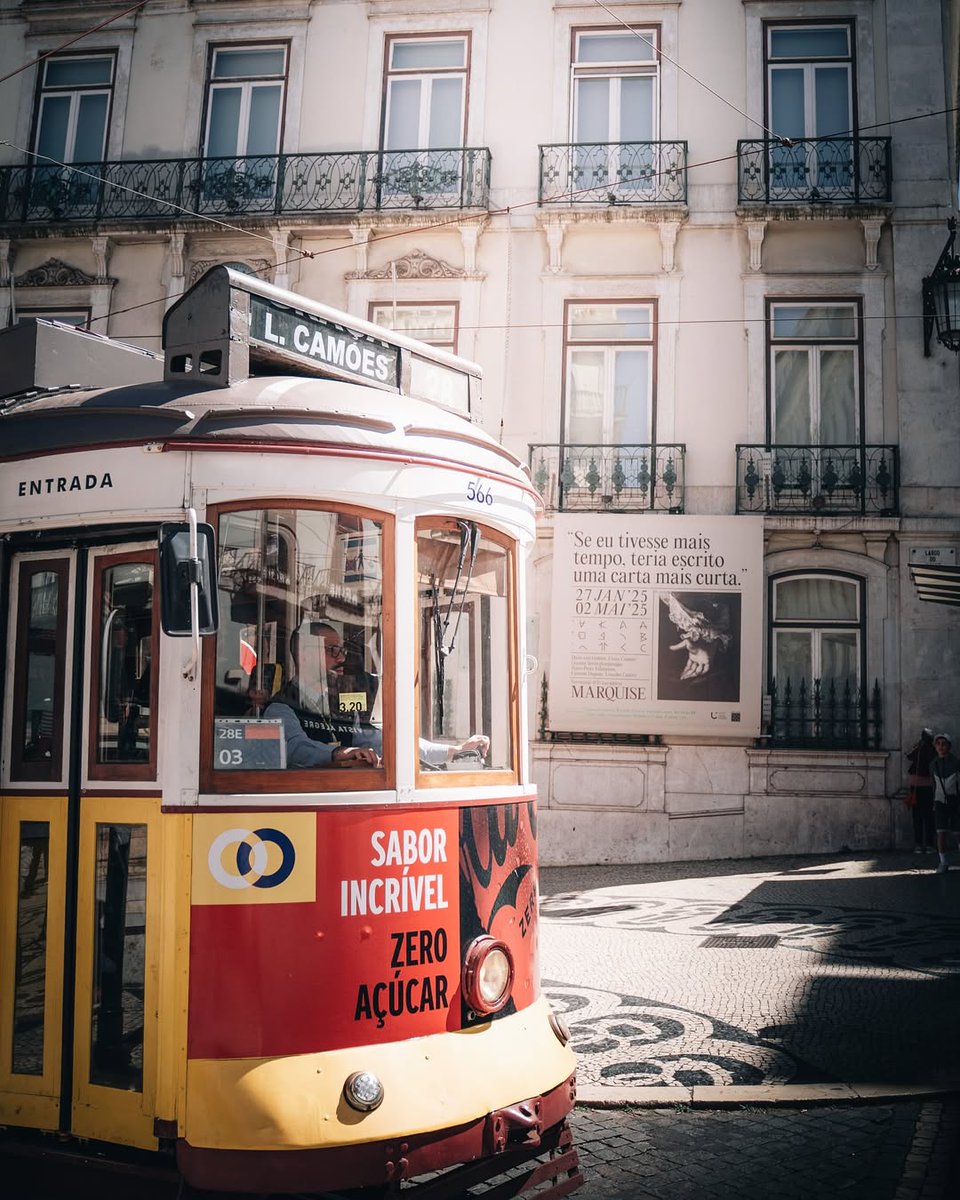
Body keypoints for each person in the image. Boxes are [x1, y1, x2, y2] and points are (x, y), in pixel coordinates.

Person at [265, 619, 489, 770]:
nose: (342, 658)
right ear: (304, 655)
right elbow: (296, 748)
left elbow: (381, 740)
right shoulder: (280, 707)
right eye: (333, 650)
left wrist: (454, 751)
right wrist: (341, 753)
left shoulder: (341, 703)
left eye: (342, 651)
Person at [929, 733, 960, 874]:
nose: (941, 747)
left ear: (949, 746)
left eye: (944, 744)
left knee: (958, 832)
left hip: (955, 800)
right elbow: (933, 784)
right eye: (938, 744)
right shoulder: (933, 764)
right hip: (939, 801)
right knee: (940, 832)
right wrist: (934, 802)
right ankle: (943, 862)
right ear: (935, 747)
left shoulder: (956, 763)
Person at [905, 727, 936, 853]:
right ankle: (928, 844)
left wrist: (917, 746)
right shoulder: (933, 750)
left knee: (918, 817)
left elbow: (908, 755)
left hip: (917, 786)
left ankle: (919, 844)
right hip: (927, 786)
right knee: (929, 817)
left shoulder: (919, 750)